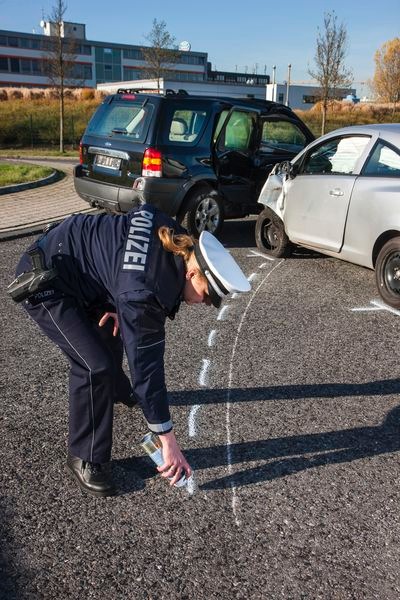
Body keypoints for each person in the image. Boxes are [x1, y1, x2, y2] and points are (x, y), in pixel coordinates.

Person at [12, 203, 250, 497]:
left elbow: (134, 222)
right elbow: (147, 370)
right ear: (192, 275)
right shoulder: (143, 294)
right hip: (45, 278)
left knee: (110, 332)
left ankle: (116, 390)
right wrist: (169, 442)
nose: (202, 303)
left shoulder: (173, 235)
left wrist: (116, 298)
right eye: (206, 295)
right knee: (93, 365)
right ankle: (85, 456)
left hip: (78, 266)